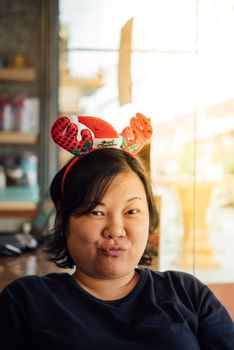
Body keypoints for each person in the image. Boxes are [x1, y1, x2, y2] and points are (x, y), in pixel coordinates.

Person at [0, 114, 233, 350]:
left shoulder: (188, 294)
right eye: (96, 212)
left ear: (151, 217)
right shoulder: (26, 302)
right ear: (62, 219)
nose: (115, 230)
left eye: (132, 211)